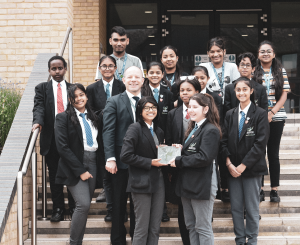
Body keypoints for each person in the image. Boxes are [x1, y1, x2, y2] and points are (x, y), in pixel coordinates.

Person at [220, 77, 269, 245]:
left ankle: (252, 240)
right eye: (238, 90)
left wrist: (243, 165)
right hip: (232, 169)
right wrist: (228, 164)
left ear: (251, 91)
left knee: (252, 208)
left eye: (244, 89)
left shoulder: (261, 114)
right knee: (236, 208)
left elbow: (260, 144)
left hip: (251, 169)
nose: (241, 92)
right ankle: (240, 240)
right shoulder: (230, 114)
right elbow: (224, 141)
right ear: (235, 92)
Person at [169, 93, 221, 245]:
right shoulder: (195, 127)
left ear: (205, 109)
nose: (190, 110)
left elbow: (204, 157)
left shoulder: (210, 129)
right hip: (189, 184)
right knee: (191, 226)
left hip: (201, 184)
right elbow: (194, 152)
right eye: (189, 107)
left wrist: (179, 160)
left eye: (195, 107)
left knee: (202, 227)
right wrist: (181, 150)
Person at [55, 83, 101, 245]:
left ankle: (77, 242)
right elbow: (62, 147)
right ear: (70, 100)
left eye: (81, 94)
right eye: (75, 96)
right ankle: (73, 242)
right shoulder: (62, 117)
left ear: (86, 96)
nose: (79, 98)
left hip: (93, 162)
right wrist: (80, 170)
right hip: (74, 166)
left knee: (85, 207)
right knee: (83, 204)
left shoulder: (94, 116)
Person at [102, 66, 144, 245]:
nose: (133, 80)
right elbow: (108, 131)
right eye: (130, 77)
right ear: (124, 80)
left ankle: (137, 239)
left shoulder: (148, 101)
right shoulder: (114, 101)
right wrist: (110, 158)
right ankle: (118, 240)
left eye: (137, 77)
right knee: (119, 204)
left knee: (139, 206)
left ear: (143, 80)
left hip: (142, 162)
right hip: (119, 162)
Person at [32, 56, 75, 222]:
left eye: (60, 68)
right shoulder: (42, 88)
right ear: (49, 71)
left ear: (65, 69)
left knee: (72, 174)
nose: (57, 72)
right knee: (56, 176)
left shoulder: (74, 88)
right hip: (51, 139)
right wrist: (37, 122)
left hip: (71, 139)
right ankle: (58, 209)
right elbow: (39, 107)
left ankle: (73, 207)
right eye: (54, 69)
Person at [223, 52, 268, 202]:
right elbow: (227, 108)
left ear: (253, 68)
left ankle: (258, 193)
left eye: (248, 65)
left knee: (252, 195)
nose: (244, 67)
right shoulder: (230, 88)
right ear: (237, 67)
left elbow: (263, 110)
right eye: (242, 64)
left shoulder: (260, 88)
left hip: (253, 133)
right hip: (235, 135)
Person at [120, 96, 165, 245]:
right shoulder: (135, 128)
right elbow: (125, 156)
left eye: (154, 107)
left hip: (158, 182)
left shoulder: (159, 131)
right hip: (141, 182)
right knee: (142, 227)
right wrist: (150, 162)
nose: (151, 110)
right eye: (147, 108)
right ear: (140, 111)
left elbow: (156, 153)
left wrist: (167, 152)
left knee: (154, 227)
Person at [86, 55, 125, 220]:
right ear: (99, 68)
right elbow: (89, 112)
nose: (107, 69)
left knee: (121, 175)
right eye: (104, 66)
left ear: (116, 68)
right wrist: (106, 114)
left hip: (121, 134)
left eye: (111, 66)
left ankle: (121, 210)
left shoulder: (122, 86)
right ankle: (110, 208)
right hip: (100, 134)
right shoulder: (92, 88)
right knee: (106, 172)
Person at [253, 40, 290, 202]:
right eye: (262, 51)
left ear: (274, 54)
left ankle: (274, 189)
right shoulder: (254, 71)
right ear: (258, 54)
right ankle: (259, 189)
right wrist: (262, 114)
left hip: (277, 117)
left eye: (269, 51)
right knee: (259, 153)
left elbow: (284, 94)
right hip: (258, 118)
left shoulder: (280, 70)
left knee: (273, 154)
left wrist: (272, 112)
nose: (266, 54)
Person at [165, 78, 201, 245]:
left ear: (197, 92)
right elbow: (169, 139)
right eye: (182, 90)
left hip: (198, 166)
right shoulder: (173, 114)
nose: (185, 93)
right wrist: (171, 169)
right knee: (182, 208)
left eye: (189, 90)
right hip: (179, 167)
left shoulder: (204, 113)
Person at [141, 61, 174, 141]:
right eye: (151, 73)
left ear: (162, 74)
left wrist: (167, 136)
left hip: (163, 135)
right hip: (144, 134)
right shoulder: (141, 92)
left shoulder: (168, 93)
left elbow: (170, 118)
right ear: (146, 74)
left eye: (158, 73)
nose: (155, 75)